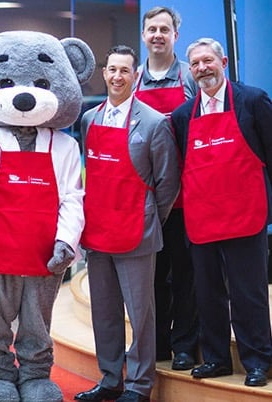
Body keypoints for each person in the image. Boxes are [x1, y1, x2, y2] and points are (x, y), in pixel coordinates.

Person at [75, 45, 180, 402]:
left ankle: (138, 385)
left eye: (125, 71)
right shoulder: (89, 119)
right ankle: (110, 379)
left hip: (137, 231)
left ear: (136, 76)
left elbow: (168, 182)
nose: (117, 76)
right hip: (98, 231)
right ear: (104, 73)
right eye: (112, 69)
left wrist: (150, 217)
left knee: (141, 316)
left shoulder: (154, 122)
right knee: (104, 313)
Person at [170, 37, 272, 387]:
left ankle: (258, 361)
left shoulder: (253, 101)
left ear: (223, 62)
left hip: (247, 215)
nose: (202, 68)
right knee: (207, 294)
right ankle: (215, 359)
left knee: (249, 293)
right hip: (202, 218)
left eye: (208, 60)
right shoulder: (183, 116)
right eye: (196, 63)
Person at [135, 5, 199, 370]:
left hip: (186, 199)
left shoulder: (189, 78)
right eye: (152, 29)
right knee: (152, 277)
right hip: (147, 199)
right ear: (144, 36)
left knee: (186, 275)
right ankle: (157, 344)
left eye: (165, 29)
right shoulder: (136, 79)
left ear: (175, 35)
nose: (158, 35)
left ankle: (186, 345)